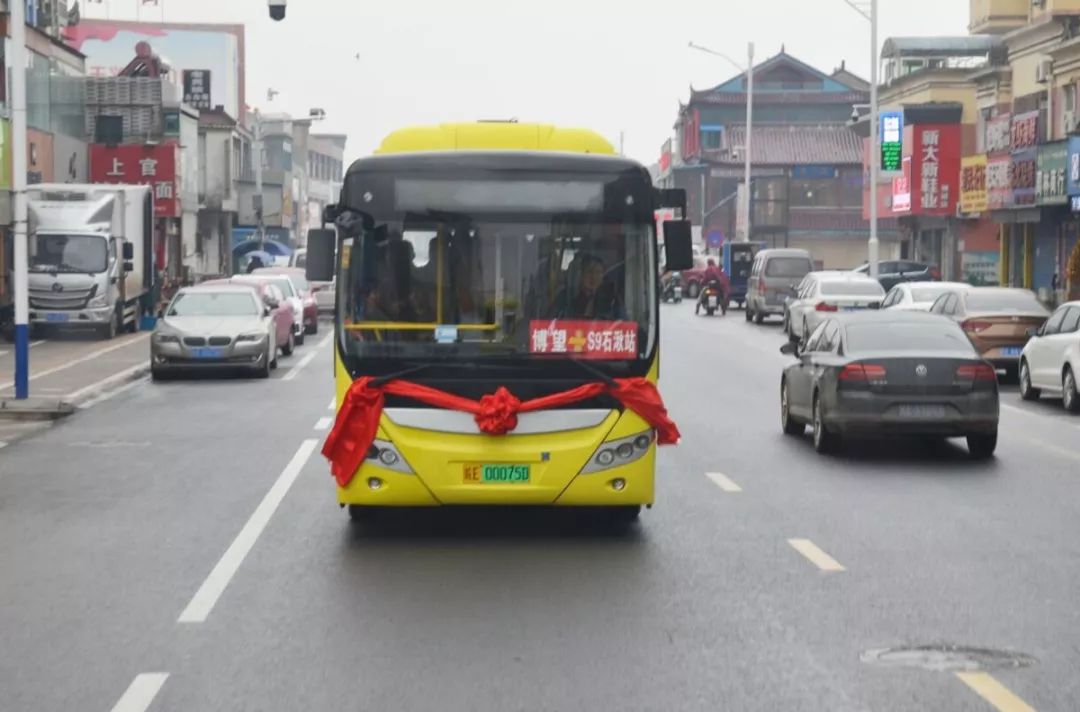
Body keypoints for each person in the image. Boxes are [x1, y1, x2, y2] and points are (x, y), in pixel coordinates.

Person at [558, 254, 623, 320]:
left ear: (603, 276)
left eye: (598, 272)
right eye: (589, 271)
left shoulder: (612, 299)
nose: (593, 277)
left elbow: (623, 322)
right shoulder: (566, 297)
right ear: (581, 274)